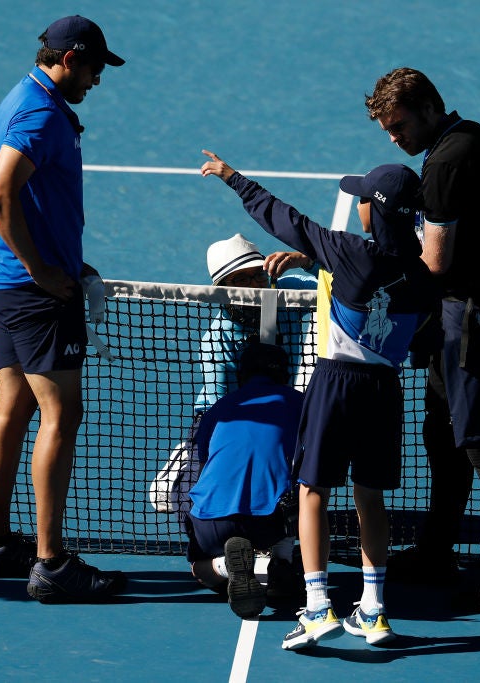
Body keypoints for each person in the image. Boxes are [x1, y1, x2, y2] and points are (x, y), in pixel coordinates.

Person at [201, 150, 437, 650]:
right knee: (369, 499)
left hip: (334, 385)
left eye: (360, 199)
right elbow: (421, 340)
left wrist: (233, 178)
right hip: (384, 391)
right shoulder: (421, 279)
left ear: (373, 211)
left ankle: (316, 609)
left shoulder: (347, 250)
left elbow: (281, 217)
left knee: (313, 493)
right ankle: (373, 611)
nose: (355, 206)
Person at [364, 67, 480, 611]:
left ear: (428, 108)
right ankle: (435, 551)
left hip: (470, 324)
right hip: (469, 317)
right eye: (387, 132)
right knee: (442, 436)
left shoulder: (445, 163)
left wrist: (373, 263)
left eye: (399, 126)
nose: (395, 139)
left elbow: (435, 261)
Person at [0, 15, 127, 604]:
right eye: (92, 68)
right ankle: (51, 562)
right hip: (34, 294)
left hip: (3, 285)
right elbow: (0, 194)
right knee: (62, 415)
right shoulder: (39, 113)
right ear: (68, 58)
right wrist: (43, 270)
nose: (96, 80)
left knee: (11, 406)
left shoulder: (25, 95)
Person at [148, 235, 316, 519]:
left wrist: (308, 262)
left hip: (283, 406)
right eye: (242, 279)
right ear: (223, 288)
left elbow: (343, 287)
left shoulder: (287, 293)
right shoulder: (217, 338)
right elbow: (221, 412)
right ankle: (182, 468)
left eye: (257, 274)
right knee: (183, 497)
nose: (254, 285)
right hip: (223, 414)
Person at [185, 342, 305, 619]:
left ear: (242, 375)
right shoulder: (301, 403)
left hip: (212, 523)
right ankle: (281, 560)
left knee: (199, 571)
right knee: (309, 485)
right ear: (285, 375)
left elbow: (204, 463)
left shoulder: (218, 407)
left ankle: (225, 566)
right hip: (272, 522)